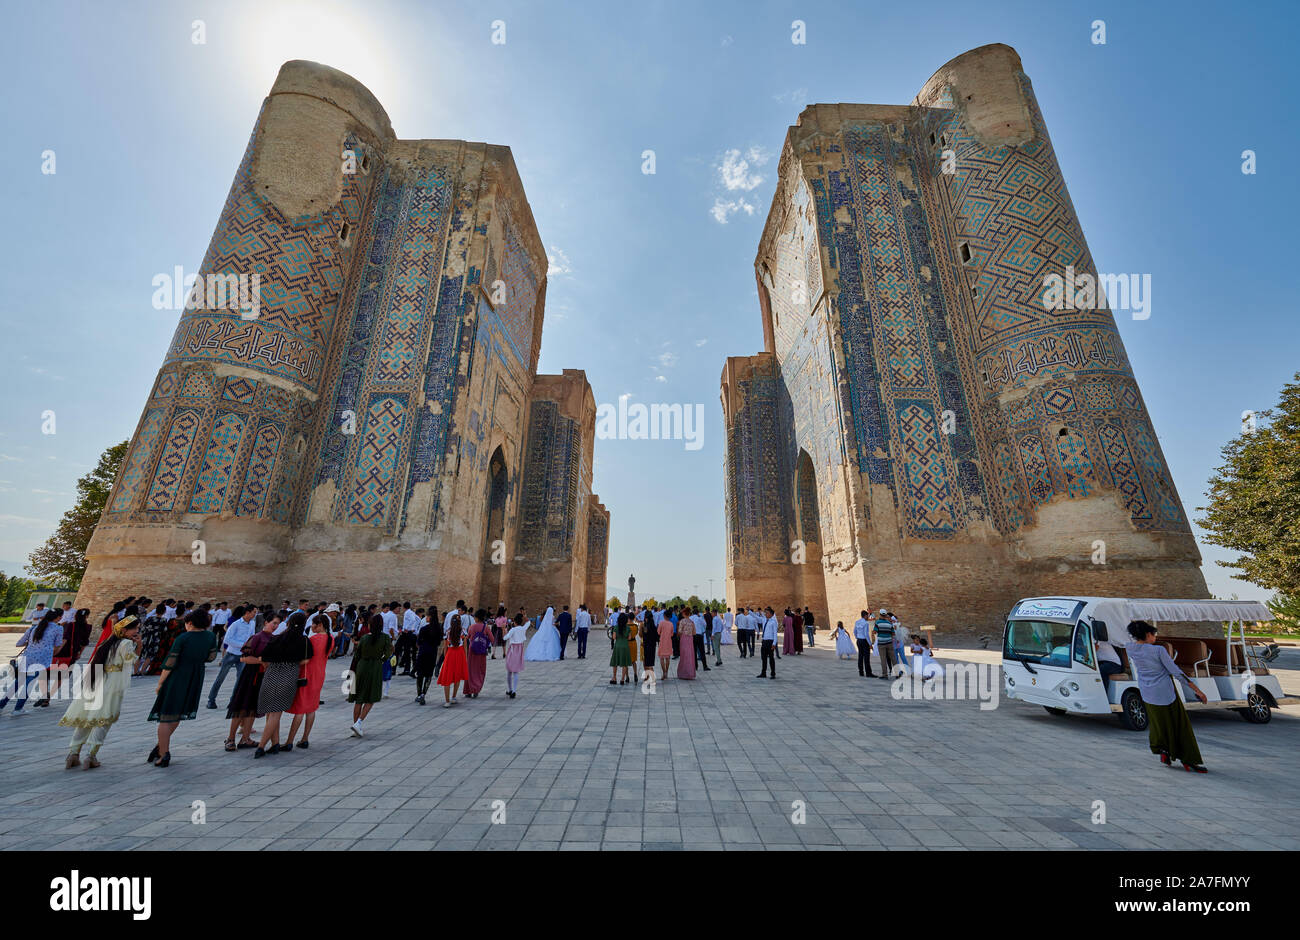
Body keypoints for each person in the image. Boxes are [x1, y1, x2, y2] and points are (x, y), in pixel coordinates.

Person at [1125, 620, 1208, 773]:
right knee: (1179, 725)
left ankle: (1163, 750)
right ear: (1148, 634)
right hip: (1165, 692)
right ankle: (1189, 759)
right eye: (1153, 634)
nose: (1155, 637)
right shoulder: (1158, 651)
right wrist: (1198, 690)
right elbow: (1176, 672)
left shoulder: (1130, 648)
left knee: (1158, 723)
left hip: (1147, 692)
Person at [59, 615, 140, 769]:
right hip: (112, 684)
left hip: (96, 681)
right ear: (124, 630)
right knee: (103, 719)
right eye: (135, 628)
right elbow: (132, 662)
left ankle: (73, 754)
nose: (137, 631)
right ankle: (91, 755)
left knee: (86, 719)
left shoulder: (106, 643)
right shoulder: (126, 643)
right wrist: (139, 646)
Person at [147, 609, 218, 768]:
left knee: (166, 715)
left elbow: (170, 663)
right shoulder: (210, 636)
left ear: (190, 623)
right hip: (195, 676)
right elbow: (211, 657)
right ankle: (161, 746)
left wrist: (160, 683)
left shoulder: (183, 638)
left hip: (178, 677)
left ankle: (164, 754)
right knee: (177, 714)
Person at [254, 612, 310, 757]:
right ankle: (261, 747)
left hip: (272, 674)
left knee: (270, 711)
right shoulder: (304, 641)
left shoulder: (277, 638)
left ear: (289, 623)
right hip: (289, 675)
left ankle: (275, 743)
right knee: (276, 713)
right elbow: (306, 660)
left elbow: (263, 657)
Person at [224, 613, 278, 751]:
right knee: (241, 706)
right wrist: (261, 660)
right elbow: (243, 658)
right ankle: (230, 738)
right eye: (273, 623)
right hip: (250, 676)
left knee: (252, 708)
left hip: (263, 677)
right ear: (266, 622)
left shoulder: (274, 639)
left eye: (277, 624)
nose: (275, 626)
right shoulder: (257, 637)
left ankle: (245, 738)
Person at [1, 609, 63, 713]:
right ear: (57, 617)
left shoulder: (34, 627)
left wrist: (32, 644)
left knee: (18, 682)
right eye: (61, 616)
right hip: (41, 659)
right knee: (29, 684)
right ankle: (18, 709)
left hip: (27, 657)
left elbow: (19, 643)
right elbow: (57, 644)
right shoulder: (58, 628)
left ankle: (1, 705)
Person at [285, 613, 332, 749]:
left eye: (313, 624)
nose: (311, 627)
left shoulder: (312, 640)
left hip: (307, 675)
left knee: (300, 708)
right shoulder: (330, 639)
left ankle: (289, 741)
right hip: (319, 675)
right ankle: (305, 738)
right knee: (311, 708)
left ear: (320, 625)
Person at [348, 614, 393, 736]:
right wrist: (380, 660)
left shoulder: (364, 638)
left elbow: (357, 655)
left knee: (359, 698)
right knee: (371, 697)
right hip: (375, 667)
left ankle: (355, 725)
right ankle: (358, 723)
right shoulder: (385, 638)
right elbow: (387, 654)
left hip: (362, 666)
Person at [208, 605, 255, 708]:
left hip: (243, 656)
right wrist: (242, 645)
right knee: (221, 678)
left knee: (240, 679)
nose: (255, 614)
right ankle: (211, 700)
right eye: (253, 612)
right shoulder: (236, 624)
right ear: (247, 612)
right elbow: (227, 639)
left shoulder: (252, 623)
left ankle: (233, 700)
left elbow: (252, 637)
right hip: (231, 654)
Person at [437, 616, 468, 707]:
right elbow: (465, 646)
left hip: (450, 654)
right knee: (457, 676)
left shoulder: (447, 632)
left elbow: (445, 647)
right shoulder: (463, 631)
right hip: (460, 654)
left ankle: (447, 701)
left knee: (447, 676)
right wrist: (465, 657)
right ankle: (454, 697)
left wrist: (445, 657)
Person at [414, 609, 442, 705]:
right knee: (429, 674)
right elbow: (439, 642)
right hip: (432, 653)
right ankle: (423, 694)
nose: (426, 618)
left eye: (427, 616)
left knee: (420, 673)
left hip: (423, 652)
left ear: (430, 617)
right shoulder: (439, 629)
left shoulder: (424, 629)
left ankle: (419, 694)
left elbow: (418, 643)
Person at [464, 609, 492, 698]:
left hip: (472, 652)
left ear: (476, 618)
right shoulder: (486, 627)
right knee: (480, 671)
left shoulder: (472, 627)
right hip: (482, 652)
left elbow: (467, 637)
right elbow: (492, 639)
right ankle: (476, 689)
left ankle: (468, 690)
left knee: (470, 670)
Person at [503, 615, 529, 698]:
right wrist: (524, 617)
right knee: (516, 671)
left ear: (514, 622)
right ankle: (514, 690)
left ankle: (510, 689)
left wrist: (504, 629)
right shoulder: (523, 628)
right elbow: (528, 622)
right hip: (520, 650)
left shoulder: (513, 630)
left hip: (512, 650)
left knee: (509, 671)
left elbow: (505, 638)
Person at [608, 612, 633, 685]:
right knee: (624, 663)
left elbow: (614, 637)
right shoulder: (628, 628)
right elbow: (629, 638)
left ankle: (614, 678)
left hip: (618, 646)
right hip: (625, 646)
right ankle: (622, 679)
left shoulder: (616, 627)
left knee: (615, 662)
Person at [872, 609, 896, 679]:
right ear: (885, 615)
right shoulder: (889, 623)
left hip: (881, 643)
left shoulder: (877, 622)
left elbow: (874, 632)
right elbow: (893, 633)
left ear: (880, 614)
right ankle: (897, 673)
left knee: (883, 659)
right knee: (893, 658)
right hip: (889, 642)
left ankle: (885, 675)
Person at [853, 611, 876, 677]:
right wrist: (870, 644)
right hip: (864, 641)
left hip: (859, 640)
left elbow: (854, 631)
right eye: (867, 616)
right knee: (866, 657)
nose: (868, 617)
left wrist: (857, 637)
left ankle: (861, 672)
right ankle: (868, 673)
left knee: (860, 656)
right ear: (865, 615)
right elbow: (866, 634)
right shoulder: (866, 623)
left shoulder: (857, 622)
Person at [757, 607, 777, 679]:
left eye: (767, 613)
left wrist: (774, 643)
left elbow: (775, 633)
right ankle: (763, 673)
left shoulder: (774, 622)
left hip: (770, 642)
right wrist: (749, 611)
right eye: (765, 613)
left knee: (771, 658)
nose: (765, 614)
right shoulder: (764, 620)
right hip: (764, 641)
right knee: (763, 658)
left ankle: (773, 673)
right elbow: (756, 617)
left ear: (771, 614)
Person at [677, 609, 697, 680]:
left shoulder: (682, 621)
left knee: (683, 655)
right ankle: (690, 673)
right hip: (690, 639)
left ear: (684, 613)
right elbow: (694, 632)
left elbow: (679, 631)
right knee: (690, 655)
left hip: (684, 638)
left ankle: (683, 673)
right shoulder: (692, 622)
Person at [657, 612, 674, 680]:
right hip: (669, 642)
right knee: (667, 658)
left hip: (662, 641)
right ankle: (666, 672)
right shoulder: (671, 624)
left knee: (661, 658)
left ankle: (663, 672)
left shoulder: (661, 623)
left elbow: (658, 632)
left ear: (664, 616)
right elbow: (672, 634)